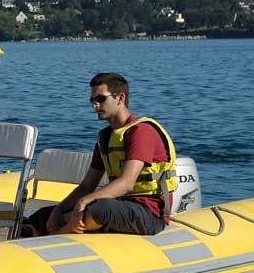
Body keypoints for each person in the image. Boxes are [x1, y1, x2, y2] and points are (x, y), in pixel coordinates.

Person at [24, 72, 177, 236]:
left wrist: (83, 202)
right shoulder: (106, 138)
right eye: (92, 100)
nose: (94, 105)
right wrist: (60, 209)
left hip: (149, 214)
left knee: (100, 209)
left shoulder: (141, 132)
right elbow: (87, 186)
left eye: (101, 99)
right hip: (120, 206)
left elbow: (126, 183)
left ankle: (61, 235)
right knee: (42, 215)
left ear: (120, 98)